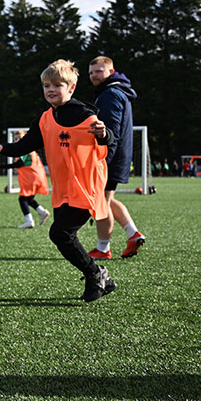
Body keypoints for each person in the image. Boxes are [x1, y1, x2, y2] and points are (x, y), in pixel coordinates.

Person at [0, 59, 116, 303]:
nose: (51, 89)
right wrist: (3, 147)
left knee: (60, 233)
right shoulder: (46, 119)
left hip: (85, 189)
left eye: (57, 84)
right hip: (63, 190)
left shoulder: (86, 115)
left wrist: (104, 134)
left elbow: (110, 142)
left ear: (72, 87)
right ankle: (98, 275)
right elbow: (25, 145)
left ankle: (95, 273)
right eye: (46, 85)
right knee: (62, 235)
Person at [88, 56, 146, 259]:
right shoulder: (117, 91)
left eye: (98, 71)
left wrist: (102, 160)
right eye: (91, 72)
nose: (94, 76)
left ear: (110, 72)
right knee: (108, 199)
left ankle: (103, 249)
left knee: (101, 203)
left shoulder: (110, 94)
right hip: (119, 157)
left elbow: (111, 132)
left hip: (111, 158)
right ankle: (133, 234)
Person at [1, 131, 50, 229]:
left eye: (20, 138)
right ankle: (42, 212)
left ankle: (29, 221)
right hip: (37, 176)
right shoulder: (31, 150)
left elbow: (20, 163)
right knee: (29, 199)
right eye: (16, 139)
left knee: (22, 199)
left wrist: (4, 166)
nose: (17, 140)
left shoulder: (26, 149)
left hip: (31, 178)